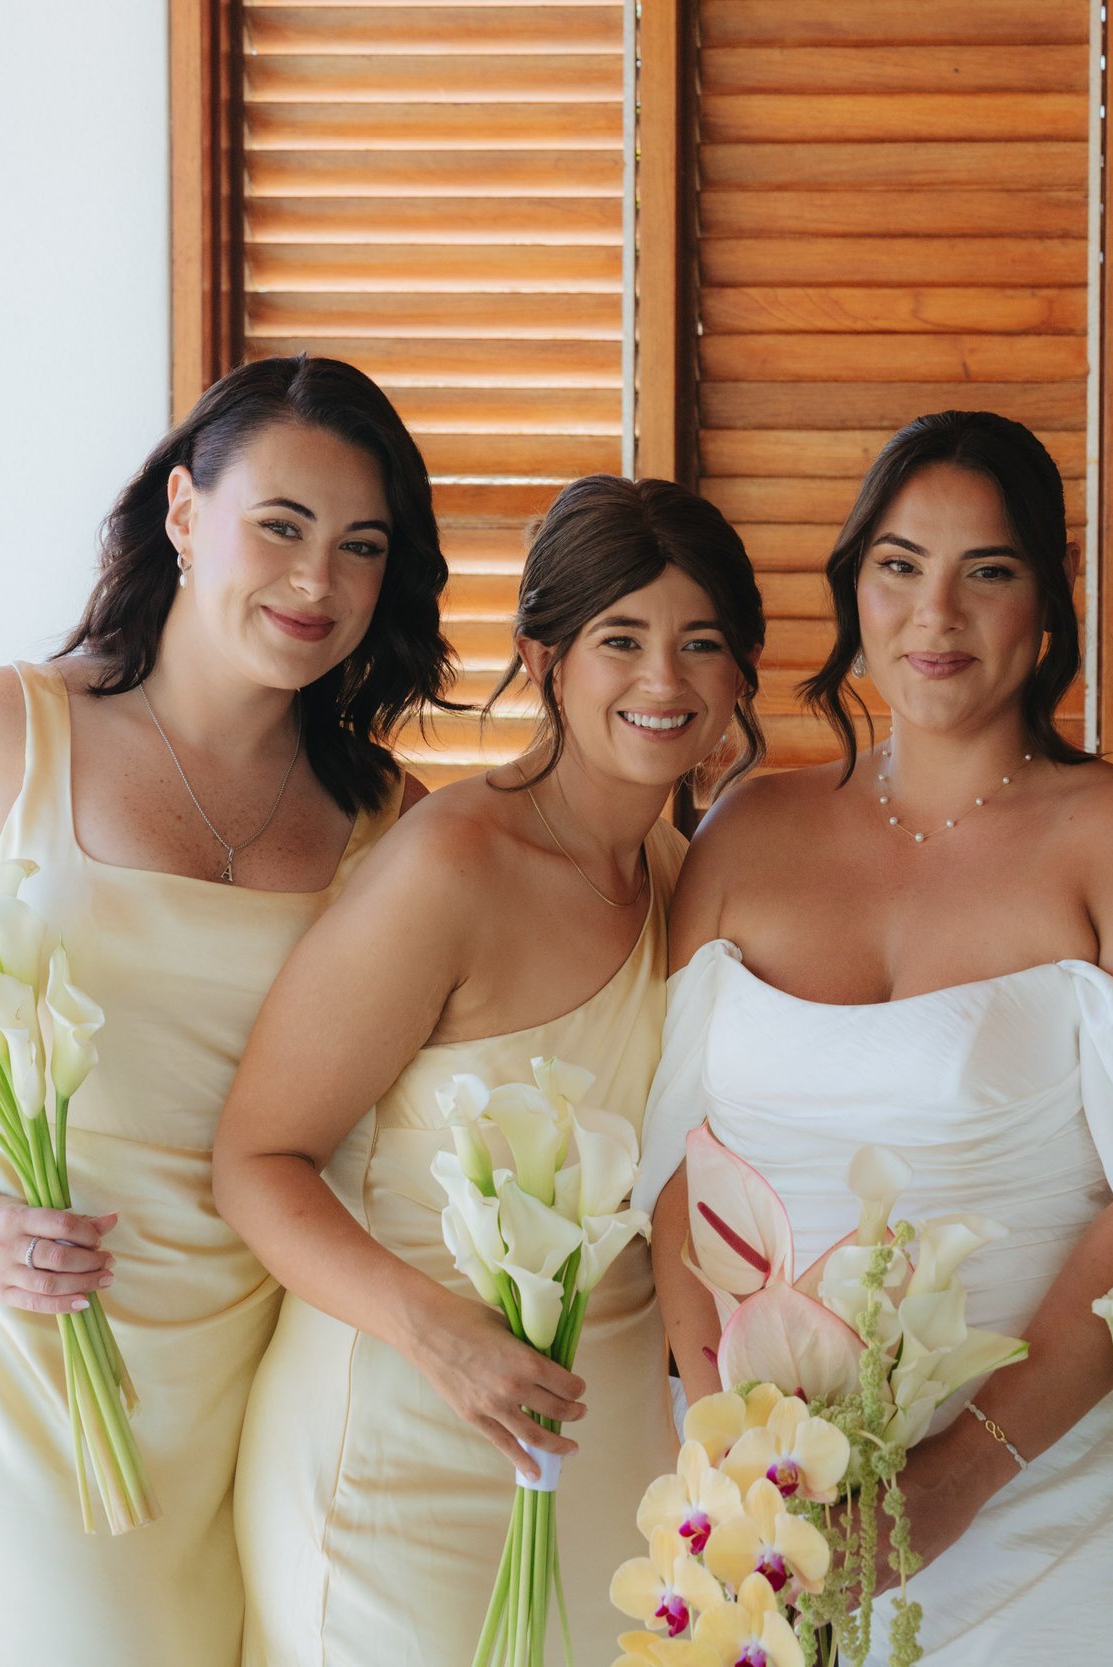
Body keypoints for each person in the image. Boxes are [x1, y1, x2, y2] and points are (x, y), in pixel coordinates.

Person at [0, 355, 452, 1665]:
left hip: (258, 1378)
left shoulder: (389, 824)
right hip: (17, 1357)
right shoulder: (8, 731)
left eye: (362, 546)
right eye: (282, 525)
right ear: (185, 513)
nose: (317, 580)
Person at [631, 410, 1113, 1666]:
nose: (937, 612)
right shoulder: (743, 830)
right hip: (779, 1509)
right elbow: (672, 1164)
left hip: (1054, 1502)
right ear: (853, 585)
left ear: (1048, 599)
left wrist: (958, 1479)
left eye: (988, 569)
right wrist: (739, 1457)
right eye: (899, 564)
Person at [215, 476, 766, 1664]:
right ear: (544, 657)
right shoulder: (450, 867)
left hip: (606, 1452)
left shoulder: (687, 876)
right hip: (406, 1443)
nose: (664, 678)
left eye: (701, 642)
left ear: (739, 675)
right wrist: (438, 1336)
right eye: (621, 638)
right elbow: (256, 1158)